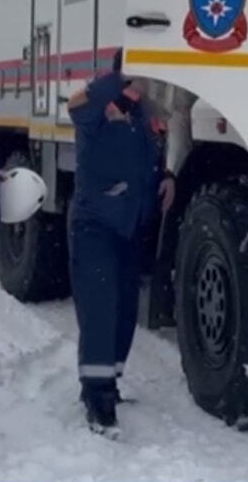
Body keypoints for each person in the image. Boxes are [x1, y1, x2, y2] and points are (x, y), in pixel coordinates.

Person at [67, 49, 175, 435]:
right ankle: (96, 397)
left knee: (126, 309)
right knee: (99, 309)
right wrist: (120, 76)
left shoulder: (146, 111)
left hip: (132, 226)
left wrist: (168, 177)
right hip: (95, 223)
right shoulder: (96, 103)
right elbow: (77, 108)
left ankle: (110, 381)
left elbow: (153, 155)